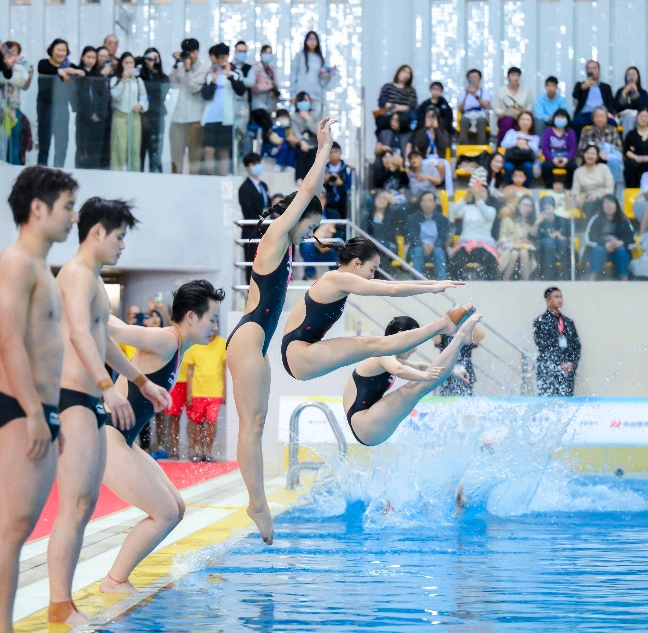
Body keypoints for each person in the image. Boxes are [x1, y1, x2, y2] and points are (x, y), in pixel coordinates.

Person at [45, 197, 170, 625]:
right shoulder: (77, 276)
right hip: (72, 398)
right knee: (74, 505)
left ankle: (66, 603)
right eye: (119, 237)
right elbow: (80, 332)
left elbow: (103, 339)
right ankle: (60, 606)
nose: (122, 246)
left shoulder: (94, 281)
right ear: (97, 232)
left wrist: (140, 381)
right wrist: (105, 386)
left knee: (83, 505)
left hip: (88, 401)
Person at [226, 117, 335, 544]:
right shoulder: (274, 237)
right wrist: (323, 149)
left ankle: (257, 499)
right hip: (249, 337)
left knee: (257, 421)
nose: (311, 234)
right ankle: (255, 501)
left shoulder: (284, 247)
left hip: (256, 342)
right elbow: (307, 190)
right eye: (310, 226)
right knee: (251, 426)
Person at [0, 166, 78, 633]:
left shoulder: (40, 266)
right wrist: (37, 413)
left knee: (19, 529)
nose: (73, 217)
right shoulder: (16, 262)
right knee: (10, 529)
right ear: (37, 208)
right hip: (20, 409)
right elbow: (6, 342)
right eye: (67, 207)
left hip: (38, 410)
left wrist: (49, 414)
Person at [102, 281, 225, 593]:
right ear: (192, 317)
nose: (215, 326)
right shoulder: (166, 339)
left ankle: (116, 577)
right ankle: (114, 581)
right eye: (211, 318)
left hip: (122, 440)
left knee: (177, 509)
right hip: (107, 439)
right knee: (165, 513)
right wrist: (83, 301)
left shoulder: (176, 346)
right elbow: (113, 328)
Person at [280, 236, 467, 382]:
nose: (372, 275)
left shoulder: (343, 280)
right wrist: (433, 289)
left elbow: (386, 283)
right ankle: (443, 326)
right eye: (371, 269)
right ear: (356, 263)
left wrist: (433, 283)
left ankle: (443, 327)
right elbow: (391, 289)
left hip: (302, 353)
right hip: (298, 354)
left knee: (378, 347)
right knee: (375, 345)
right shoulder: (334, 278)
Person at [344, 314, 481, 446]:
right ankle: (459, 339)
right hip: (365, 425)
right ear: (399, 335)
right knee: (418, 386)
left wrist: (454, 373)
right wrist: (425, 377)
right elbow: (399, 370)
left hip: (370, 424)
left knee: (422, 382)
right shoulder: (383, 354)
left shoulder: (391, 357)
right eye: (413, 342)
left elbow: (420, 366)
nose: (415, 348)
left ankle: (459, 339)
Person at [200, 43, 246, 176]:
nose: (220, 61)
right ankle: (209, 178)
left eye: (222, 57)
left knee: (223, 150)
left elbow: (241, 91)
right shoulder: (209, 75)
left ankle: (222, 178)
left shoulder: (235, 74)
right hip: (210, 118)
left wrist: (229, 75)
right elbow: (205, 96)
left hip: (227, 118)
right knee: (208, 150)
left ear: (226, 57)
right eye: (217, 58)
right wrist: (213, 81)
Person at [37, 38, 82, 166]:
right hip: (45, 108)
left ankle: (59, 171)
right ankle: (41, 172)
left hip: (62, 108)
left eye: (64, 50)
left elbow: (84, 73)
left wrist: (74, 71)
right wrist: (60, 73)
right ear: (52, 50)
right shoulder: (44, 63)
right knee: (44, 143)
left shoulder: (68, 66)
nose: (61, 53)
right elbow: (45, 69)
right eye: (58, 49)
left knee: (61, 144)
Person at [184, 328, 226, 462]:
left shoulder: (222, 344)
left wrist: (224, 391)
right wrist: (189, 392)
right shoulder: (195, 344)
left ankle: (208, 451)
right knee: (197, 423)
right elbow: (189, 371)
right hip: (197, 391)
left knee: (211, 422)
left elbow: (224, 369)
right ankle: (200, 450)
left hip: (215, 392)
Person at [170, 38, 210, 174]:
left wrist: (187, 70)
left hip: (194, 118)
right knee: (176, 154)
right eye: (186, 52)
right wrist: (176, 64)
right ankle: (174, 182)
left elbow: (193, 88)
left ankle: (194, 183)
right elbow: (172, 83)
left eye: (192, 52)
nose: (189, 55)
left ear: (197, 52)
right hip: (178, 117)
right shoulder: (180, 66)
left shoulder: (204, 68)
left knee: (195, 156)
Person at [533, 287, 581, 397]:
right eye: (556, 297)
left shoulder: (568, 322)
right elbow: (542, 345)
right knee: (547, 401)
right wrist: (558, 364)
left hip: (567, 372)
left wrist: (571, 363)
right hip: (549, 371)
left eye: (560, 297)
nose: (559, 300)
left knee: (566, 402)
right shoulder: (540, 322)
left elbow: (576, 345)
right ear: (548, 300)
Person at [450, 183, 499, 280]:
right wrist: (466, 197)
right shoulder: (467, 208)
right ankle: (456, 284)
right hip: (466, 244)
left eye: (483, 191)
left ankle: (491, 286)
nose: (480, 193)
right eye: (478, 191)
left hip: (484, 245)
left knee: (491, 261)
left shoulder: (491, 210)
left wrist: (478, 198)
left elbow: (487, 215)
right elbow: (454, 211)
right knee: (454, 261)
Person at [109, 52, 148, 172]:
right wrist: (124, 79)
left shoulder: (138, 81)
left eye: (131, 62)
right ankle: (117, 175)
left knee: (135, 148)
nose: (129, 65)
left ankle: (134, 174)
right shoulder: (115, 79)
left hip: (134, 116)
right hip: (120, 116)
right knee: (119, 147)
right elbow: (115, 95)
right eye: (126, 62)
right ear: (121, 64)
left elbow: (144, 97)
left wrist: (140, 106)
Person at [74, 46, 112, 170]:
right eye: (88, 57)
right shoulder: (78, 73)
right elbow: (78, 97)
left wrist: (99, 114)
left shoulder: (98, 76)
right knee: (82, 149)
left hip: (99, 120)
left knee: (96, 151)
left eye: (93, 58)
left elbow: (103, 98)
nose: (91, 60)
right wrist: (89, 113)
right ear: (82, 57)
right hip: (83, 118)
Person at [584, 195, 635, 281]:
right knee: (599, 250)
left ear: (616, 205)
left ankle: (624, 281)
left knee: (621, 251)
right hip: (601, 249)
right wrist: (604, 244)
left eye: (611, 203)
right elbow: (588, 238)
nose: (609, 206)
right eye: (606, 203)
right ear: (602, 206)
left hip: (617, 250)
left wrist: (620, 243)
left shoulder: (624, 220)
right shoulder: (596, 219)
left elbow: (632, 241)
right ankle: (591, 281)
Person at [238, 152, 271, 283]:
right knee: (252, 267)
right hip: (252, 231)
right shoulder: (244, 188)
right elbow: (249, 211)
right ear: (247, 167)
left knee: (266, 267)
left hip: (265, 231)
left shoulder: (263, 185)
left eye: (258, 163)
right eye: (253, 164)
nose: (257, 166)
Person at [408, 107, 453, 197]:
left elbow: (444, 145)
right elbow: (419, 144)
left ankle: (439, 185)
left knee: (441, 165)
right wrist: (425, 128)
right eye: (428, 117)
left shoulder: (443, 131)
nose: (431, 119)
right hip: (425, 158)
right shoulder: (420, 132)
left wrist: (437, 129)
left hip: (439, 158)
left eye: (433, 117)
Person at [576, 106, 624, 189]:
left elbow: (619, 148)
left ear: (606, 118)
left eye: (602, 116)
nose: (600, 119)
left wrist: (608, 154)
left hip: (609, 159)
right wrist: (596, 153)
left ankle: (611, 190)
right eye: (597, 116)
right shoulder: (587, 131)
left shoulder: (613, 130)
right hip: (592, 159)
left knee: (614, 163)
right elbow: (581, 149)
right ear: (593, 119)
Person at [406, 191, 450, 280]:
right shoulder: (413, 218)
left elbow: (443, 237)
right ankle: (416, 283)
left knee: (438, 251)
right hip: (417, 247)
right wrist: (422, 244)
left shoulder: (442, 219)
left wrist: (433, 245)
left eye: (429, 201)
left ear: (435, 203)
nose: (426, 203)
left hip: (436, 247)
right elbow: (411, 235)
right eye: (424, 201)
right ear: (420, 203)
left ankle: (442, 282)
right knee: (418, 251)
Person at [290, 31, 335, 119]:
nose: (311, 42)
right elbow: (293, 75)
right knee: (300, 121)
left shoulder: (320, 58)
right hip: (301, 95)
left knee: (314, 122)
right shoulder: (300, 56)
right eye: (309, 39)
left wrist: (327, 78)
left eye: (314, 39)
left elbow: (322, 81)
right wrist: (293, 94)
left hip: (316, 95)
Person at [140, 48, 170, 173]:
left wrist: (155, 73)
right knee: (139, 153)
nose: (154, 62)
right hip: (141, 117)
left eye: (156, 59)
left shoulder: (163, 77)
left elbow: (160, 96)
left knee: (156, 154)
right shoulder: (139, 77)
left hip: (157, 118)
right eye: (150, 59)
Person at [498, 194, 537, 281]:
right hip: (508, 250)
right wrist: (513, 241)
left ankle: (526, 281)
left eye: (530, 206)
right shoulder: (507, 220)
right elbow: (501, 239)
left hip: (525, 251)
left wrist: (525, 242)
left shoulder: (530, 225)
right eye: (525, 205)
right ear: (519, 206)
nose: (527, 208)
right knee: (515, 253)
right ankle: (506, 279)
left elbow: (532, 241)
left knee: (523, 251)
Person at [231, 41, 257, 166]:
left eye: (244, 51)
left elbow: (251, 82)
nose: (242, 54)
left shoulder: (249, 68)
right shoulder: (229, 66)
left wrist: (238, 78)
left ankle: (244, 161)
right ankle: (232, 161)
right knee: (231, 133)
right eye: (239, 51)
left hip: (244, 104)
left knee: (243, 132)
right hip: (230, 104)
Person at [623, 108, 648, 189]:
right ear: (637, 118)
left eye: (645, 116)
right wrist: (636, 157)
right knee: (631, 165)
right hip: (635, 158)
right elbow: (626, 150)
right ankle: (631, 190)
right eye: (640, 116)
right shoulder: (631, 134)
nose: (643, 118)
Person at [534, 195, 571, 281]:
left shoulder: (563, 221)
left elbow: (569, 239)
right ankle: (549, 278)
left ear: (554, 208)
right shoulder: (539, 222)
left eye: (548, 207)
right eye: (543, 208)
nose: (546, 210)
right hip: (544, 253)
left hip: (561, 250)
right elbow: (532, 237)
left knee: (561, 246)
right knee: (548, 243)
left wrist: (560, 236)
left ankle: (566, 278)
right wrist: (537, 223)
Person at [494, 66, 534, 144]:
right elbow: (496, 108)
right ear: (508, 77)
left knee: (526, 122)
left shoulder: (526, 90)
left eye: (517, 75)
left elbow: (530, 106)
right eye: (513, 75)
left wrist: (523, 112)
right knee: (507, 122)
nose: (515, 78)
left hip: (521, 117)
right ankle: (503, 147)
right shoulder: (501, 90)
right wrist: (506, 112)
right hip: (506, 117)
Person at [572, 144, 615, 215]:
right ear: (583, 154)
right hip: (587, 201)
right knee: (590, 206)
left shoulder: (604, 168)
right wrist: (578, 198)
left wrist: (597, 196)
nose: (589, 156)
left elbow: (610, 189)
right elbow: (575, 190)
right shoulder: (578, 172)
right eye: (587, 153)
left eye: (592, 154)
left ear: (597, 156)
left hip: (603, 199)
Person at [500, 110, 540, 186]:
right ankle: (510, 187)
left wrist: (526, 144)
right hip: (512, 158)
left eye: (528, 120)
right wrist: (516, 143)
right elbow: (503, 144)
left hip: (526, 159)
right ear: (518, 121)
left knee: (528, 167)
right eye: (522, 119)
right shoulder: (512, 132)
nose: (525, 122)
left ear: (532, 122)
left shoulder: (535, 137)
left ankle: (526, 188)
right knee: (508, 167)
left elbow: (535, 150)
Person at [571, 60, 614, 131]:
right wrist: (583, 87)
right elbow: (575, 95)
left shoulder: (606, 87)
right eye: (589, 68)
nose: (591, 70)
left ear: (599, 71)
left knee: (612, 123)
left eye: (594, 68)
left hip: (602, 114)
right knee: (575, 123)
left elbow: (610, 103)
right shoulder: (581, 85)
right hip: (585, 114)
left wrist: (608, 113)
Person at [540, 108, 577, 188]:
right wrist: (552, 159)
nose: (560, 119)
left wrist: (566, 159)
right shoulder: (548, 131)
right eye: (558, 117)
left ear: (567, 119)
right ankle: (549, 187)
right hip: (551, 158)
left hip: (566, 158)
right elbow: (545, 148)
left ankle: (569, 188)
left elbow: (573, 149)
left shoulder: (570, 132)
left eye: (563, 117)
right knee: (546, 166)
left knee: (573, 167)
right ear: (554, 118)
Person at [376, 64, 418, 130]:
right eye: (404, 71)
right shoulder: (387, 87)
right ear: (398, 72)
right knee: (381, 121)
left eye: (408, 73)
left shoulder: (411, 90)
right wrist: (392, 107)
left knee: (410, 120)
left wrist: (399, 108)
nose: (406, 74)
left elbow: (412, 105)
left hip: (404, 114)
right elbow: (382, 102)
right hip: (388, 112)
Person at [251, 44, 280, 135]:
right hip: (258, 103)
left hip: (270, 102)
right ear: (261, 54)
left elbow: (274, 83)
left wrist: (274, 89)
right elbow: (252, 86)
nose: (268, 55)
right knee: (265, 126)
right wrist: (267, 87)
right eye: (266, 53)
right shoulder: (255, 68)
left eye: (270, 53)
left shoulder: (271, 69)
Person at [457, 68, 492, 145]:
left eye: (475, 77)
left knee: (481, 121)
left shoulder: (485, 92)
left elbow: (486, 105)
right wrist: (467, 94)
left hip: (480, 115)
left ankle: (482, 146)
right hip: (467, 114)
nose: (473, 79)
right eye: (471, 78)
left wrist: (474, 94)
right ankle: (463, 144)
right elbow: (460, 109)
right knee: (464, 120)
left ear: (480, 79)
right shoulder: (463, 93)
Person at [613, 66, 648, 134]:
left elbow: (644, 107)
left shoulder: (643, 92)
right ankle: (628, 143)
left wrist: (635, 93)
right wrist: (624, 94)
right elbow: (616, 108)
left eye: (633, 75)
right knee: (629, 118)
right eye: (629, 75)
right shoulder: (621, 91)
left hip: (639, 116)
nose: (631, 77)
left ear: (638, 77)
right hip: (624, 117)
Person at [324, 143, 352, 219]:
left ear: (340, 153)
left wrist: (341, 184)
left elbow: (352, 188)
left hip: (345, 203)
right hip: (328, 203)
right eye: (331, 152)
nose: (333, 154)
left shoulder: (348, 169)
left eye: (336, 151)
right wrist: (324, 181)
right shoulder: (323, 170)